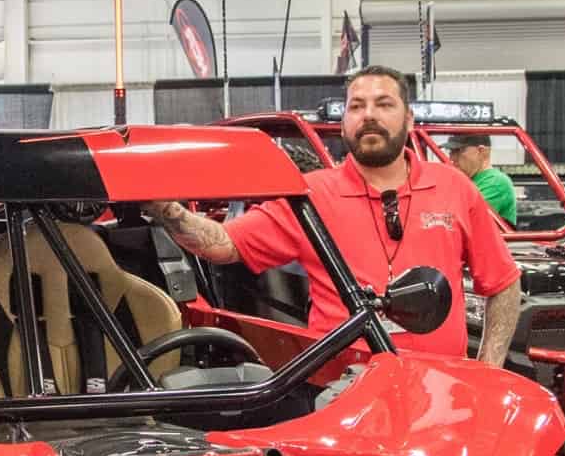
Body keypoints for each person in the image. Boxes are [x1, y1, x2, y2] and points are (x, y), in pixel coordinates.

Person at [145, 65, 523, 364]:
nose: (368, 115)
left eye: (384, 104)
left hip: (438, 392)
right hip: (340, 393)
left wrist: (488, 370)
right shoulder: (311, 196)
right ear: (344, 123)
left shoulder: (454, 188)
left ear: (409, 119)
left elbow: (504, 283)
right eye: (356, 106)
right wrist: (165, 208)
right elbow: (223, 244)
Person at [445, 129, 518, 226]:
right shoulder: (467, 180)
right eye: (451, 151)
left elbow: (458, 219)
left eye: (458, 151)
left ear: (481, 151)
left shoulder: (495, 182)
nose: (451, 158)